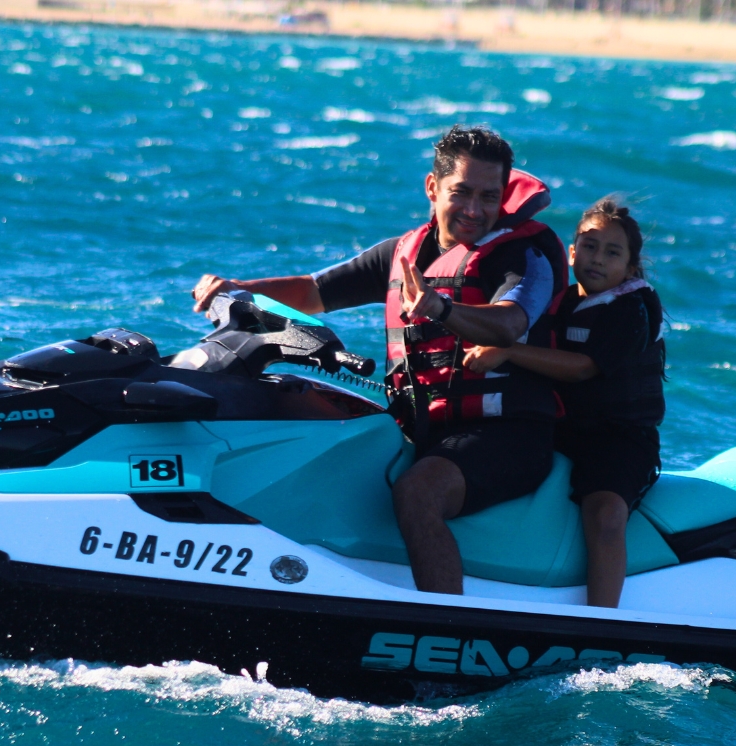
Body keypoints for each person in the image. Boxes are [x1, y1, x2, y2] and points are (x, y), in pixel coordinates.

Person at [192, 125, 567, 595]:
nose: (475, 210)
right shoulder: (402, 254)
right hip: (422, 427)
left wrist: (442, 308)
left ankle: (444, 628)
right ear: (432, 188)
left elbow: (511, 322)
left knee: (418, 493)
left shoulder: (522, 255)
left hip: (506, 434)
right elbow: (312, 291)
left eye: (489, 197)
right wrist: (238, 289)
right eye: (461, 192)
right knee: (295, 415)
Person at [464, 197, 665, 609]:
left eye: (613, 253)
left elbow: (582, 368)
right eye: (589, 247)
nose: (597, 259)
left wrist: (506, 350)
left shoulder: (632, 309)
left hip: (620, 439)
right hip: (562, 429)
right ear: (571, 252)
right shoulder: (562, 299)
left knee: (605, 513)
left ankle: (601, 619)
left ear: (630, 268)